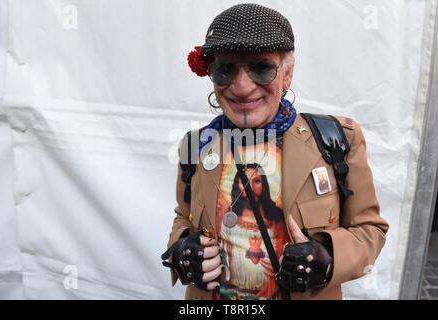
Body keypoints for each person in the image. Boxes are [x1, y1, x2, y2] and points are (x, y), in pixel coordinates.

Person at [161, 3, 389, 300]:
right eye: (225, 69)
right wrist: (182, 248)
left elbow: (370, 230)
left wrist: (327, 259)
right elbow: (184, 215)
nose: (242, 87)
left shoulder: (337, 139)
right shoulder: (195, 145)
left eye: (261, 68)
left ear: (287, 74)